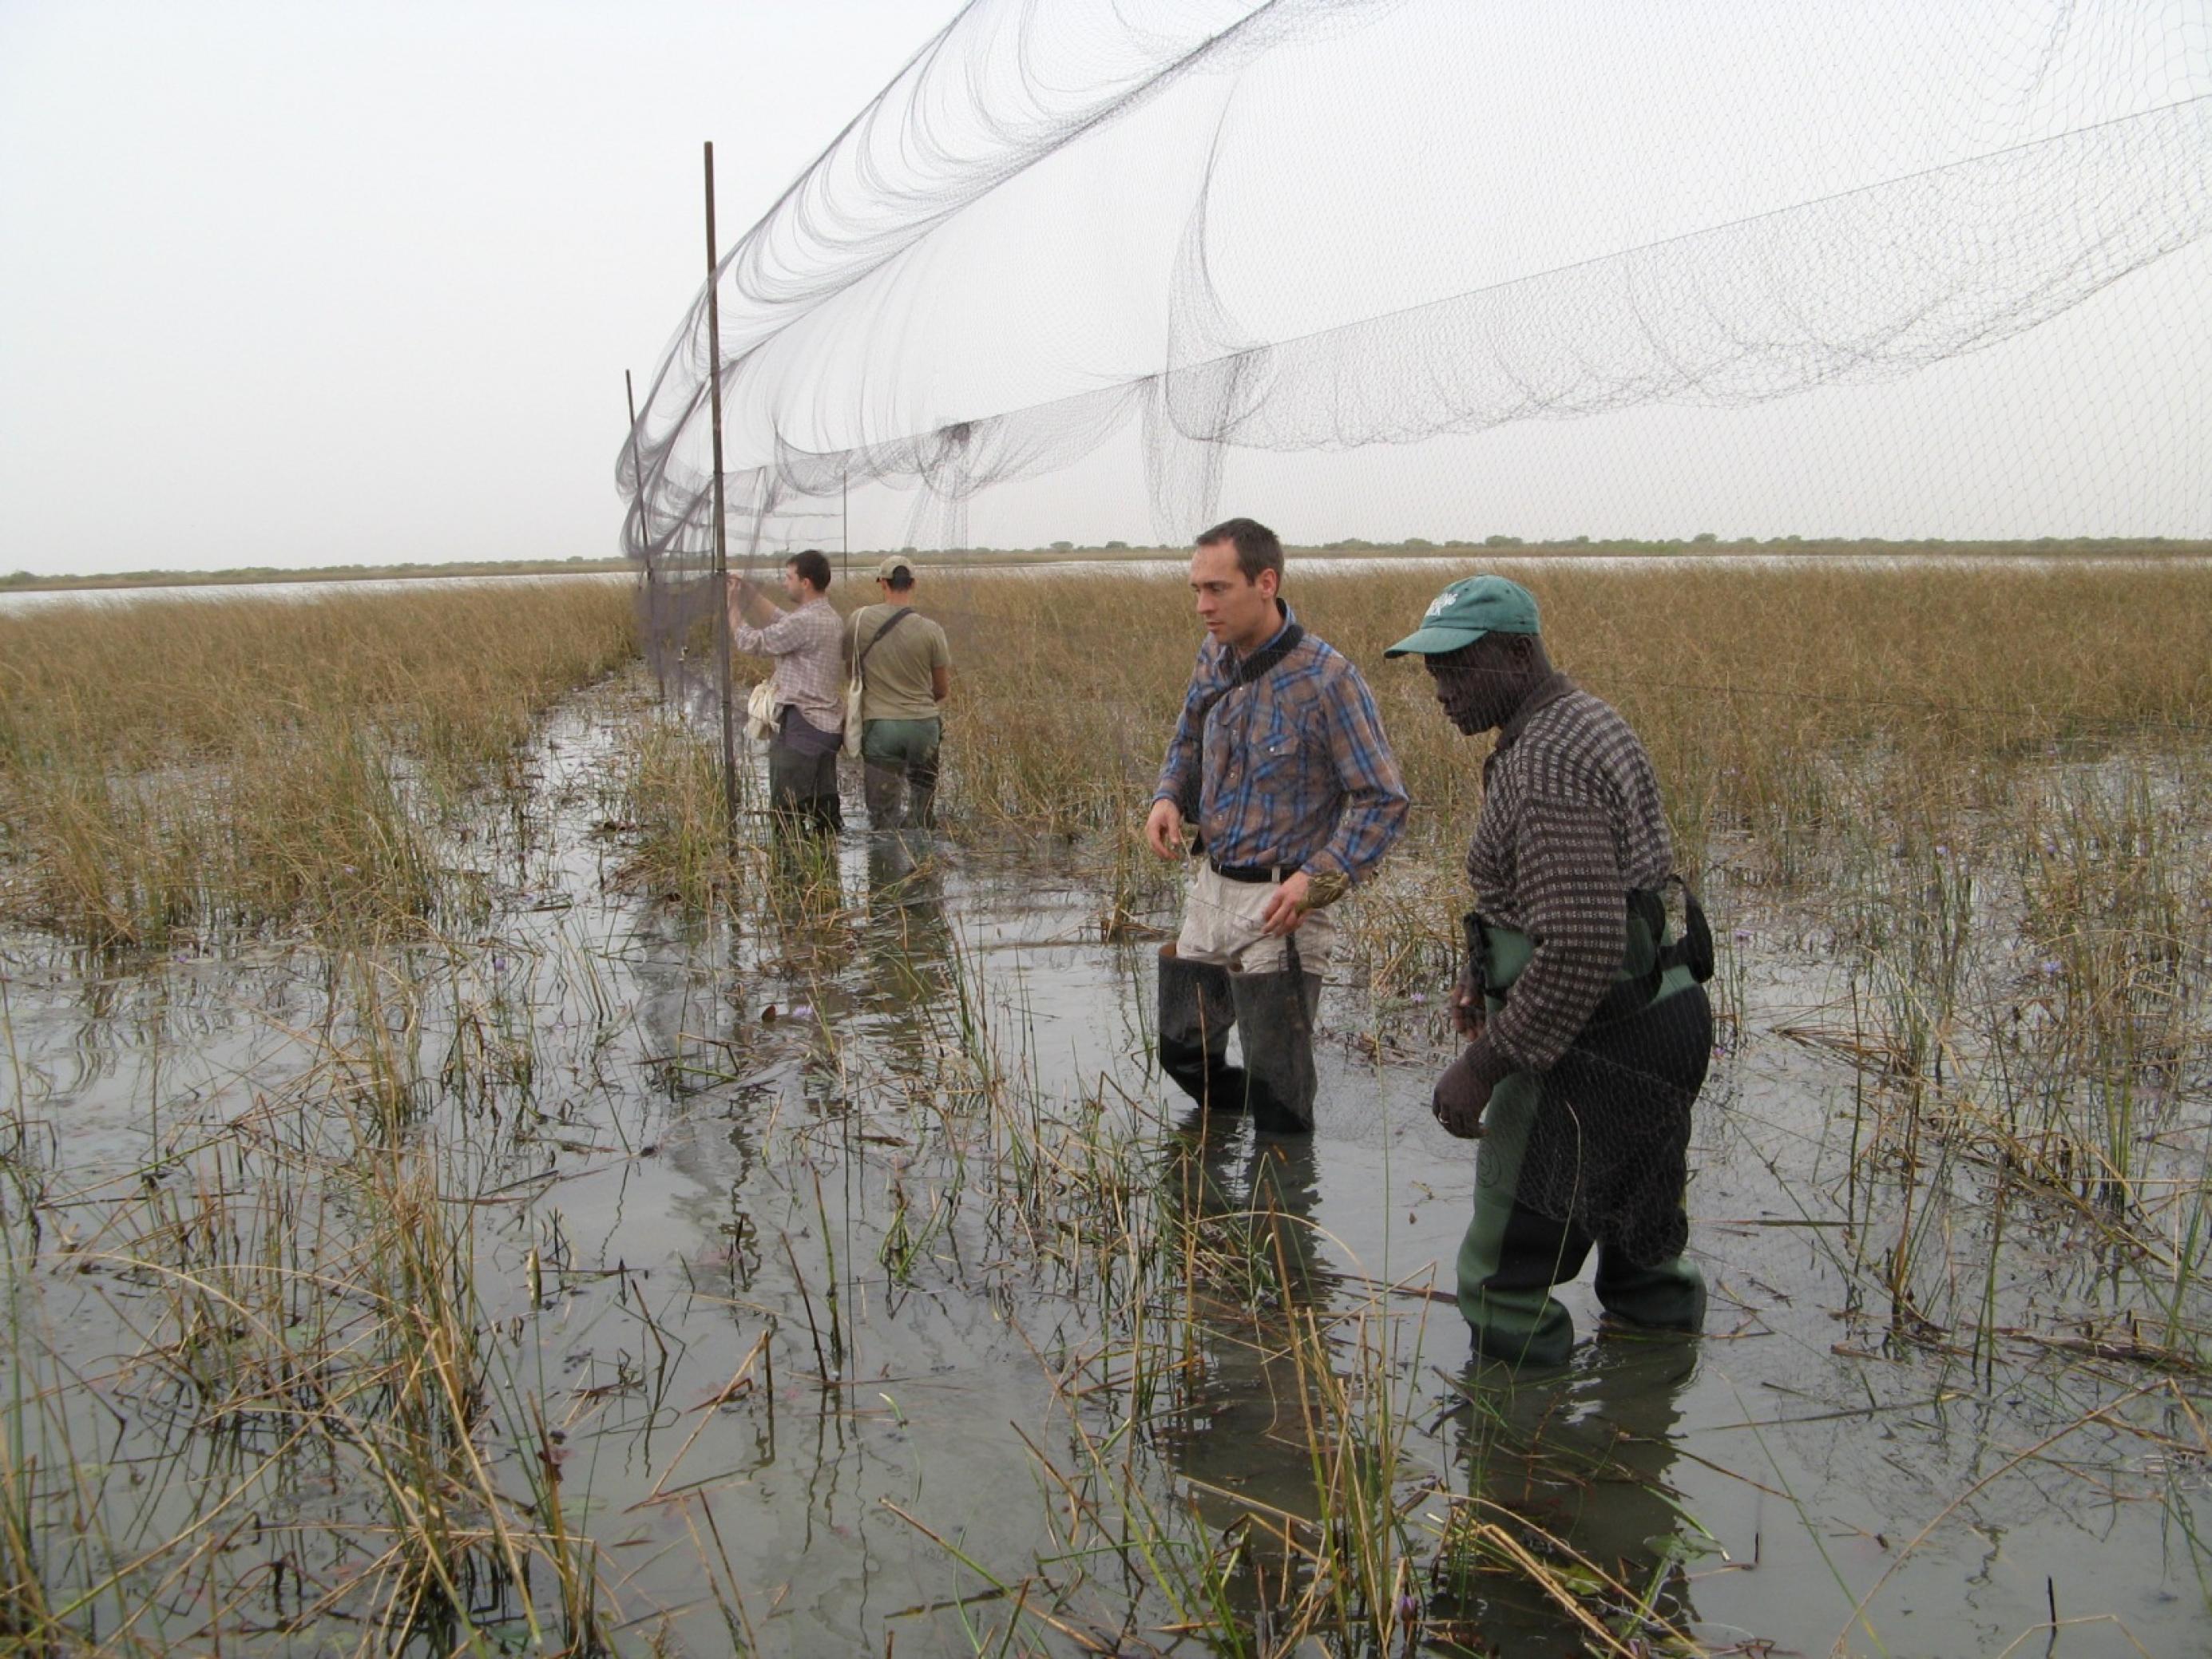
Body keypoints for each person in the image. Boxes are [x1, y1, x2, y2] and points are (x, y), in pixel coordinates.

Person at [1385, 574, 1715, 1367]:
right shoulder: (1586, 717)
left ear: (1520, 652)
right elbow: (1588, 902)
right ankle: (1642, 1433)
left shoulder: (1541, 766)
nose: (1441, 689)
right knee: (1643, 1247)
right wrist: (1483, 967)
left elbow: (1581, 946)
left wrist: (1482, 1064)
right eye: (1434, 670)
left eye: (1459, 668)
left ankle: (1520, 1473)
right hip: (1663, 1015)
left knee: (1504, 1279)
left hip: (1589, 1045)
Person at [1146, 517, 1409, 1134]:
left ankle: (1281, 1207)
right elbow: (1188, 736)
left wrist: (1316, 881)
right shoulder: (1214, 655)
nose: (1203, 606)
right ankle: (1213, 1176)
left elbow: (1383, 800)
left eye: (1217, 589)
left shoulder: (1329, 681)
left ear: (1266, 582)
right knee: (1182, 1049)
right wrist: (1168, 798)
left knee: (1280, 1094)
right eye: (1196, 590)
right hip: (1211, 890)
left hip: (1282, 907)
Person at [727, 548, 844, 836]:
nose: (784, 583)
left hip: (801, 727)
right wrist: (749, 592)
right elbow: (780, 618)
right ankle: (826, 873)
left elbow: (751, 642)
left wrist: (731, 605)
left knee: (785, 817)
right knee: (825, 818)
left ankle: (790, 875)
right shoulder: (829, 617)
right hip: (827, 728)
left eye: (788, 577)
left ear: (805, 582)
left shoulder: (803, 622)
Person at [847, 554, 952, 831]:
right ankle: (924, 869)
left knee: (882, 821)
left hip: (881, 729)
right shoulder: (932, 630)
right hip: (924, 728)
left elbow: (852, 673)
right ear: (913, 583)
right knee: (922, 816)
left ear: (882, 583)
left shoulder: (859, 621)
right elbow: (941, 689)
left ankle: (885, 870)